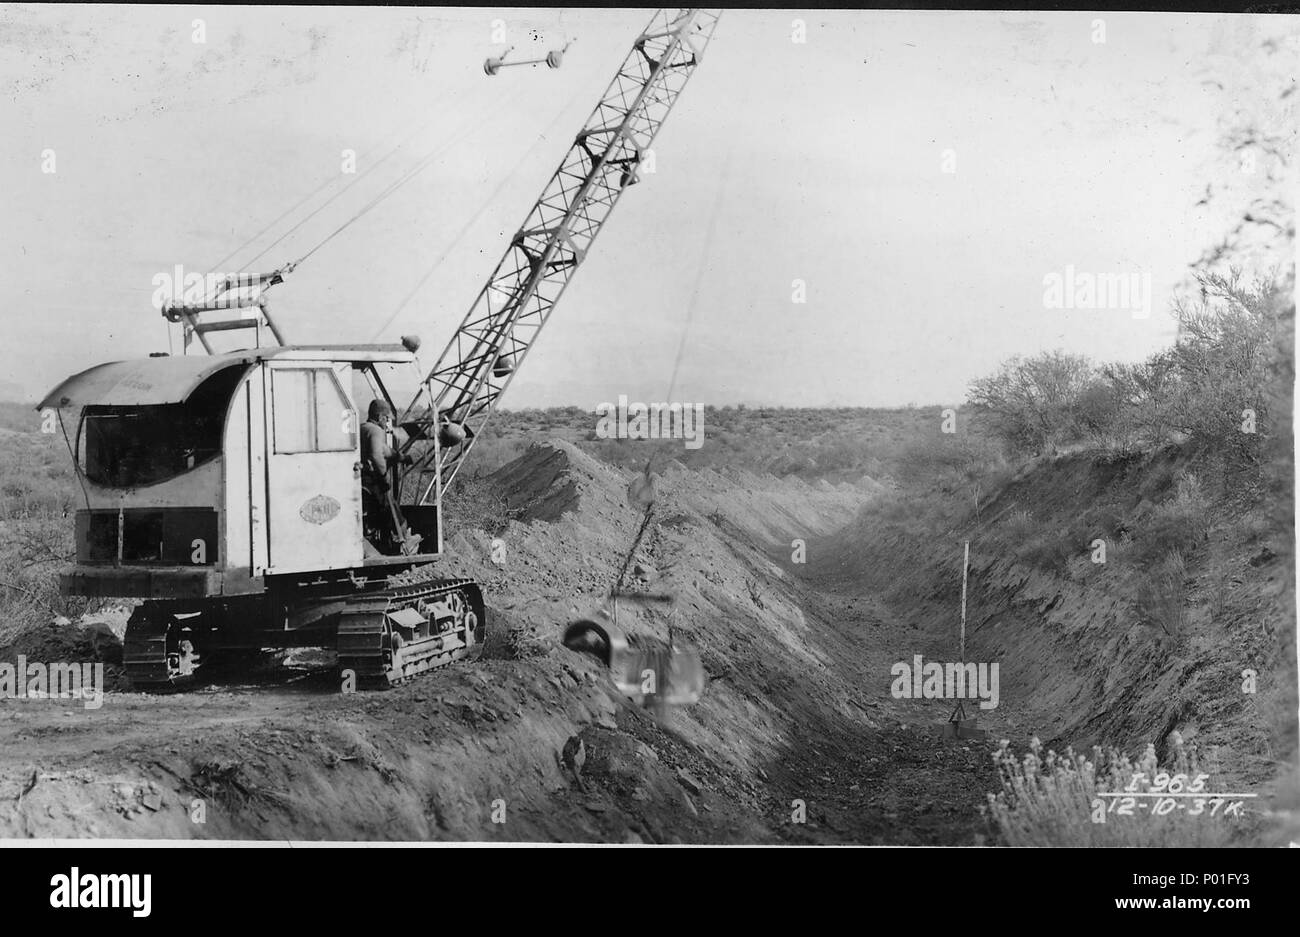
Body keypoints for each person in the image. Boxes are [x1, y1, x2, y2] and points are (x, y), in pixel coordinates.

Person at [360, 399, 417, 553]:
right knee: (391, 508)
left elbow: (385, 450)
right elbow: (377, 455)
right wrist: (384, 478)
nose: (387, 423)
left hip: (362, 481)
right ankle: (405, 538)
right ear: (379, 417)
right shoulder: (376, 431)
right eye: (386, 419)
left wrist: (401, 457)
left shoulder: (364, 428)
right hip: (371, 482)